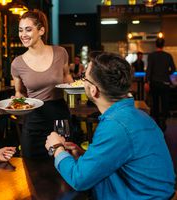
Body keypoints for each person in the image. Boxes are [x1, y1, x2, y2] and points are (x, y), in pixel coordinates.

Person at [45, 52, 175, 199]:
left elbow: (78, 179)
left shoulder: (115, 126)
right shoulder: (137, 115)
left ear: (94, 90)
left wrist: (56, 148)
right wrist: (84, 155)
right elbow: (120, 158)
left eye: (84, 78)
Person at [11, 10, 74, 158]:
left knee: (63, 164)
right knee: (32, 167)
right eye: (20, 30)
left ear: (41, 30)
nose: (23, 35)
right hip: (34, 120)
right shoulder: (17, 63)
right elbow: (19, 93)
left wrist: (79, 89)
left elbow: (67, 77)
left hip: (59, 117)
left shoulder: (61, 53)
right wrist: (16, 101)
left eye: (28, 29)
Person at [147, 38, 176, 131]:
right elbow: (173, 69)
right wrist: (166, 73)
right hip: (165, 82)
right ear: (163, 45)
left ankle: (157, 122)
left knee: (155, 103)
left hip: (155, 82)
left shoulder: (151, 56)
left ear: (156, 45)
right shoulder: (168, 56)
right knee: (165, 103)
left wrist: (147, 81)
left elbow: (149, 69)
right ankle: (163, 121)